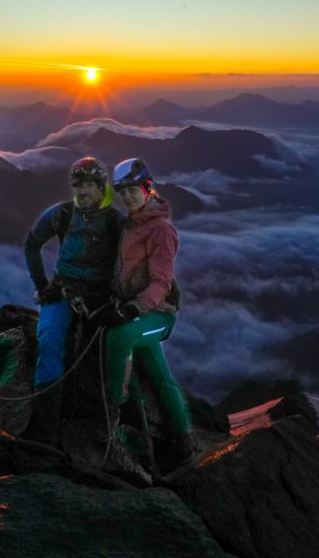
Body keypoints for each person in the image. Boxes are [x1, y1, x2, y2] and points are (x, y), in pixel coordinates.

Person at [22, 157, 123, 444]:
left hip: (99, 299)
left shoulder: (116, 222)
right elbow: (32, 244)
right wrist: (42, 285)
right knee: (50, 342)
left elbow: (136, 260)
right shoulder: (62, 214)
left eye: (90, 185)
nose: (83, 191)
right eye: (78, 185)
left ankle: (90, 429)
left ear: (102, 187)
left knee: (94, 362)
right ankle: (46, 429)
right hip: (62, 291)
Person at [104, 157, 196, 468]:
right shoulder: (129, 224)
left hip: (159, 316)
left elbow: (161, 282)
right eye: (123, 191)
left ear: (147, 188)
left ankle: (111, 412)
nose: (127, 196)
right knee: (159, 376)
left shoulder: (161, 230)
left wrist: (133, 309)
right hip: (137, 313)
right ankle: (183, 437)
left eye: (133, 190)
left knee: (118, 339)